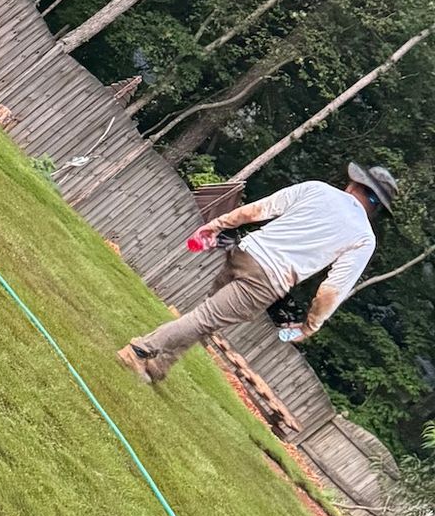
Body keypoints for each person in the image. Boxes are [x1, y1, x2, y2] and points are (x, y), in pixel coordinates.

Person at [117, 161, 398, 384]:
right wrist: (309, 326)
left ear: (353, 184)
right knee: (205, 319)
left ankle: (157, 367)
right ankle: (139, 350)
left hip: (244, 252)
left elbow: (259, 210)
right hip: (267, 280)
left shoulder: (318, 189)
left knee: (207, 319)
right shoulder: (364, 238)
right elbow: (331, 290)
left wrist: (217, 225)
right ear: (376, 209)